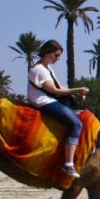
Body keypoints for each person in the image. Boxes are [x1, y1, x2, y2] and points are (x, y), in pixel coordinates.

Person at [27, 40, 90, 178]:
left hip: (51, 100)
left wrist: (76, 92)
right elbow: (55, 90)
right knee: (76, 123)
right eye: (56, 55)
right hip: (43, 102)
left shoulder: (47, 68)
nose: (58, 58)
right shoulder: (38, 70)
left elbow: (60, 87)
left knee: (81, 115)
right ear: (47, 53)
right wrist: (77, 89)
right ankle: (68, 164)